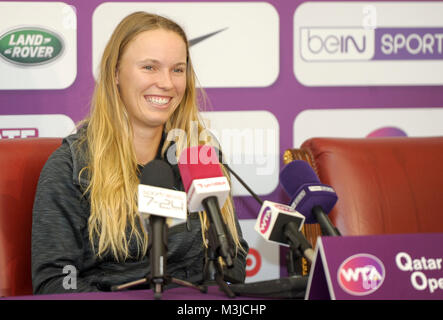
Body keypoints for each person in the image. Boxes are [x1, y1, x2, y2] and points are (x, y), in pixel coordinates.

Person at [31, 11, 248, 294]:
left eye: (178, 69)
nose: (167, 83)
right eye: (149, 67)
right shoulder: (71, 166)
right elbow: (57, 281)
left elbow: (234, 256)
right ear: (116, 73)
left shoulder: (199, 154)